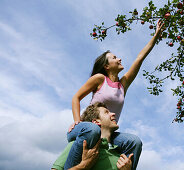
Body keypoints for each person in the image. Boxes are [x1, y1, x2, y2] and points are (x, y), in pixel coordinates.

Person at [52, 19, 165, 170]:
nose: (119, 59)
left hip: (108, 131)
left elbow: (140, 58)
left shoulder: (122, 85)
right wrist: (78, 122)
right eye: (114, 57)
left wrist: (156, 35)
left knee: (134, 142)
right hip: (89, 128)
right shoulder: (100, 79)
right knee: (93, 130)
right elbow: (76, 97)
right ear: (106, 66)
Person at [53, 102, 133, 170]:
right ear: (96, 121)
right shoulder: (80, 144)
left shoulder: (121, 156)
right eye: (106, 112)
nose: (113, 114)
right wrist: (83, 165)